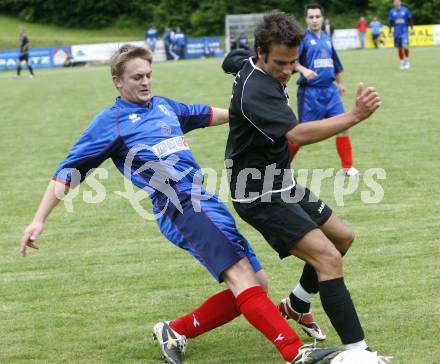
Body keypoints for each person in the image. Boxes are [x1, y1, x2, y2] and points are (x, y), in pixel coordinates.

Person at [19, 44, 340, 364]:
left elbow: (205, 114)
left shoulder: (163, 107)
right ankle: (294, 352)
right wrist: (38, 219)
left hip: (206, 201)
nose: (145, 82)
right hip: (178, 206)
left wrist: (251, 113)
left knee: (258, 283)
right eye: (136, 77)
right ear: (117, 81)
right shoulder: (110, 123)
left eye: (148, 75)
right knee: (242, 276)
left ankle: (175, 330)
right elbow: (69, 172)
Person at [222, 10, 390, 363]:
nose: (287, 71)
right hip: (258, 192)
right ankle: (357, 353)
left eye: (292, 63)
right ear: (261, 52)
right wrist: (354, 116)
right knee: (327, 258)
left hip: (280, 179)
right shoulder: (256, 91)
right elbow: (298, 134)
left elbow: (231, 60)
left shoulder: (249, 63)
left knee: (342, 238)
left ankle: (297, 303)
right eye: (280, 63)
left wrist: (281, 64)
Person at [289, 3, 361, 177]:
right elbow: (292, 61)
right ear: (306, 19)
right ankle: (280, 168)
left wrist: (340, 83)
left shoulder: (327, 38)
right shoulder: (303, 38)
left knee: (343, 126)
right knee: (301, 135)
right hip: (310, 93)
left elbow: (334, 63)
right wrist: (304, 70)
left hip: (330, 91)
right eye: (311, 17)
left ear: (323, 18)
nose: (314, 20)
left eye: (317, 16)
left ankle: (347, 167)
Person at [388, 0, 414, 70]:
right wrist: (390, 31)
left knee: (405, 46)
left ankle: (407, 60)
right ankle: (402, 62)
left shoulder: (405, 10)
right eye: (395, 2)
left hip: (404, 31)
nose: (396, 3)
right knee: (399, 48)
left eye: (398, 1)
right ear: (394, 3)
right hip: (397, 32)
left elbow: (410, 19)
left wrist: (412, 29)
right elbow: (390, 22)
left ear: (400, 2)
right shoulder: (392, 11)